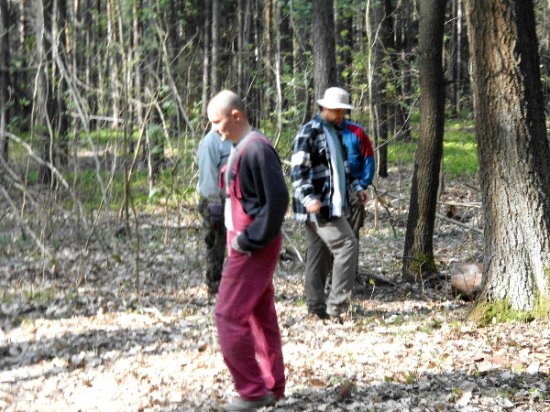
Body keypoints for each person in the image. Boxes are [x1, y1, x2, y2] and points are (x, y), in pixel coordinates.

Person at [207, 90, 288, 411]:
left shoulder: (257, 149)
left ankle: (252, 392)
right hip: (245, 245)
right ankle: (271, 386)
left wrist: (249, 239)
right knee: (260, 316)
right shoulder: (242, 147)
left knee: (227, 315)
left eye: (217, 121)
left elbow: (278, 199)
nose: (214, 128)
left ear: (236, 116)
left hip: (253, 248)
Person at [290, 87, 365, 319]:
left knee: (319, 253)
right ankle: (338, 307)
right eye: (338, 110)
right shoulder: (309, 132)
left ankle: (316, 308)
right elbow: (298, 170)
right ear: (326, 108)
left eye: (344, 111)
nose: (342, 114)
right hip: (319, 205)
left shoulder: (335, 132)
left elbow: (341, 170)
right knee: (347, 245)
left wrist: (356, 188)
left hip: (332, 203)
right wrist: (309, 198)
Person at [197, 129, 232, 297]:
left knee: (230, 242)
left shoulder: (233, 139)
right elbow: (208, 177)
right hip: (214, 200)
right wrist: (214, 203)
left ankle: (231, 282)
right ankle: (214, 283)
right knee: (216, 243)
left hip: (231, 199)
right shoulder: (210, 143)